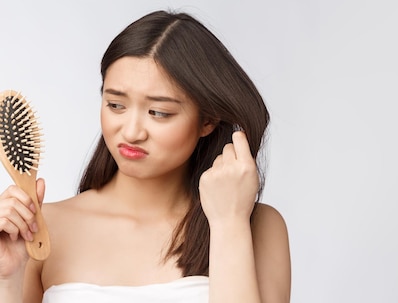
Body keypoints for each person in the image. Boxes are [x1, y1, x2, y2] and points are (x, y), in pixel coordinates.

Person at [0, 10, 291, 303]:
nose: (131, 131)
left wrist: (228, 223)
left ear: (208, 120)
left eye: (158, 112)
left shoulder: (257, 226)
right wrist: (7, 278)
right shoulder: (41, 229)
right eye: (115, 105)